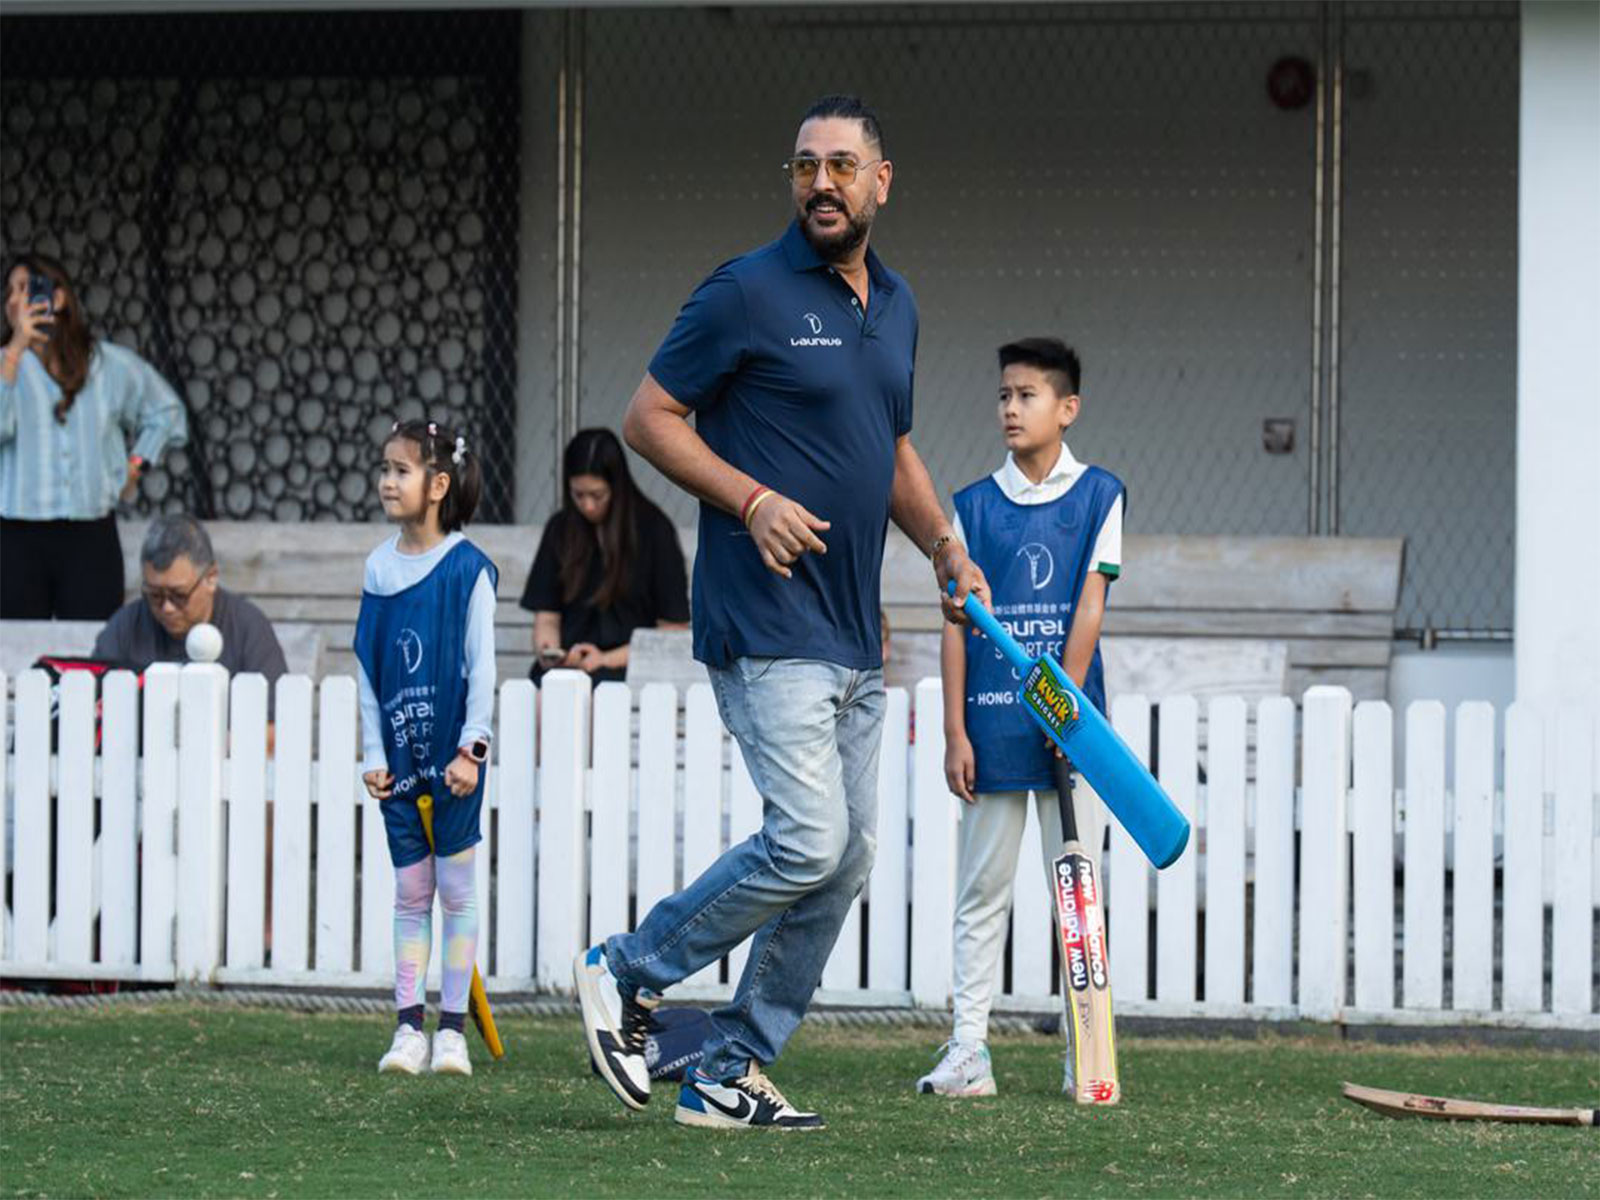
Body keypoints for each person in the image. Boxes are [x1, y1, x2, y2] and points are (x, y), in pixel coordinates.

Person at [574, 94, 988, 1131]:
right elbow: (646, 418)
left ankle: (729, 1068)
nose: (822, 184)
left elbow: (889, 450)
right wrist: (748, 499)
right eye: (805, 167)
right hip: (763, 620)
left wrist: (943, 542)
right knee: (808, 839)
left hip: (854, 633)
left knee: (845, 857)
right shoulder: (745, 292)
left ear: (880, 181)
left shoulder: (895, 306)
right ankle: (627, 970)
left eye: (842, 166)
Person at [918, 337, 1124, 1098]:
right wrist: (953, 732)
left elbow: (1088, 610)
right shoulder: (968, 508)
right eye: (1004, 394)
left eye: (1028, 395)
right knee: (981, 893)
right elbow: (954, 624)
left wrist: (1061, 709)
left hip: (1073, 737)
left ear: (1068, 408)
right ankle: (969, 1049)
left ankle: (1084, 1053)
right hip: (993, 730)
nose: (1010, 407)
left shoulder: (1102, 495)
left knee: (1077, 897)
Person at [354, 420, 497, 1078]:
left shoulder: (468, 568)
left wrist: (473, 749)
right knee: (411, 892)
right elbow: (367, 667)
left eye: (402, 470)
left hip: (453, 763)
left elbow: (482, 669)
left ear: (438, 485)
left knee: (456, 892)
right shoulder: (378, 568)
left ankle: (452, 1034)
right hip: (400, 762)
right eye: (384, 468)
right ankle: (407, 1028)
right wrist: (371, 754)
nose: (388, 480)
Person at [1, 252, 187, 619]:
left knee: (92, 649)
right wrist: (15, 351)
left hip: (90, 535)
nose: (13, 300)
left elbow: (166, 411)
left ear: (57, 298)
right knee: (12, 650)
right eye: (8, 292)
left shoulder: (107, 365)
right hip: (14, 534)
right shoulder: (5, 366)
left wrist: (134, 467)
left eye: (25, 289)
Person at [520, 428, 689, 684]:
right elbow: (547, 616)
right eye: (578, 495)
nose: (587, 505)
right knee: (548, 694)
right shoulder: (560, 528)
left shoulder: (654, 530)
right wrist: (550, 652)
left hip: (629, 672)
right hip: (568, 670)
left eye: (597, 495)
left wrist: (605, 659)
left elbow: (672, 629)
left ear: (616, 487)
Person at [92, 514, 288, 688]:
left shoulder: (247, 627)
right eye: (154, 595)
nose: (167, 608)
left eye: (179, 595)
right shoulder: (125, 627)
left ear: (211, 578)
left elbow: (273, 722)